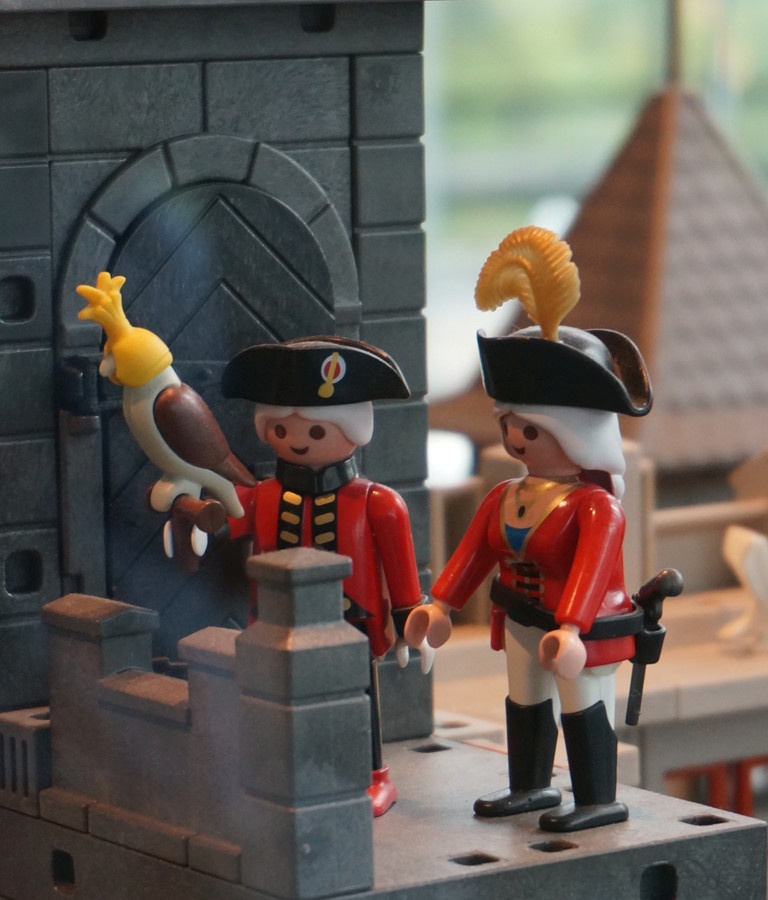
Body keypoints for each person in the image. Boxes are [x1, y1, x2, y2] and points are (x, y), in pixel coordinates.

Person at [406, 226, 654, 832]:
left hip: (580, 630)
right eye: (509, 426)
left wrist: (571, 625)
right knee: (524, 699)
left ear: (573, 433)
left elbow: (593, 570)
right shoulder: (506, 495)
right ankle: (531, 786)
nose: (515, 439)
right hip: (519, 615)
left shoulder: (595, 507)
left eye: (530, 430)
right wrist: (440, 605)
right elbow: (473, 554)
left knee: (582, 703)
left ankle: (595, 797)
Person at [216, 335, 425, 816]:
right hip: (277, 623)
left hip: (351, 624)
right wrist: (194, 515)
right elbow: (223, 519)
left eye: (315, 431)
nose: (297, 441)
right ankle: (285, 774)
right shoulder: (262, 495)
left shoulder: (377, 502)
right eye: (281, 429)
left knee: (357, 699)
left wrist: (409, 617)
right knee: (281, 702)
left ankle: (371, 775)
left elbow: (400, 568)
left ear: (352, 430)